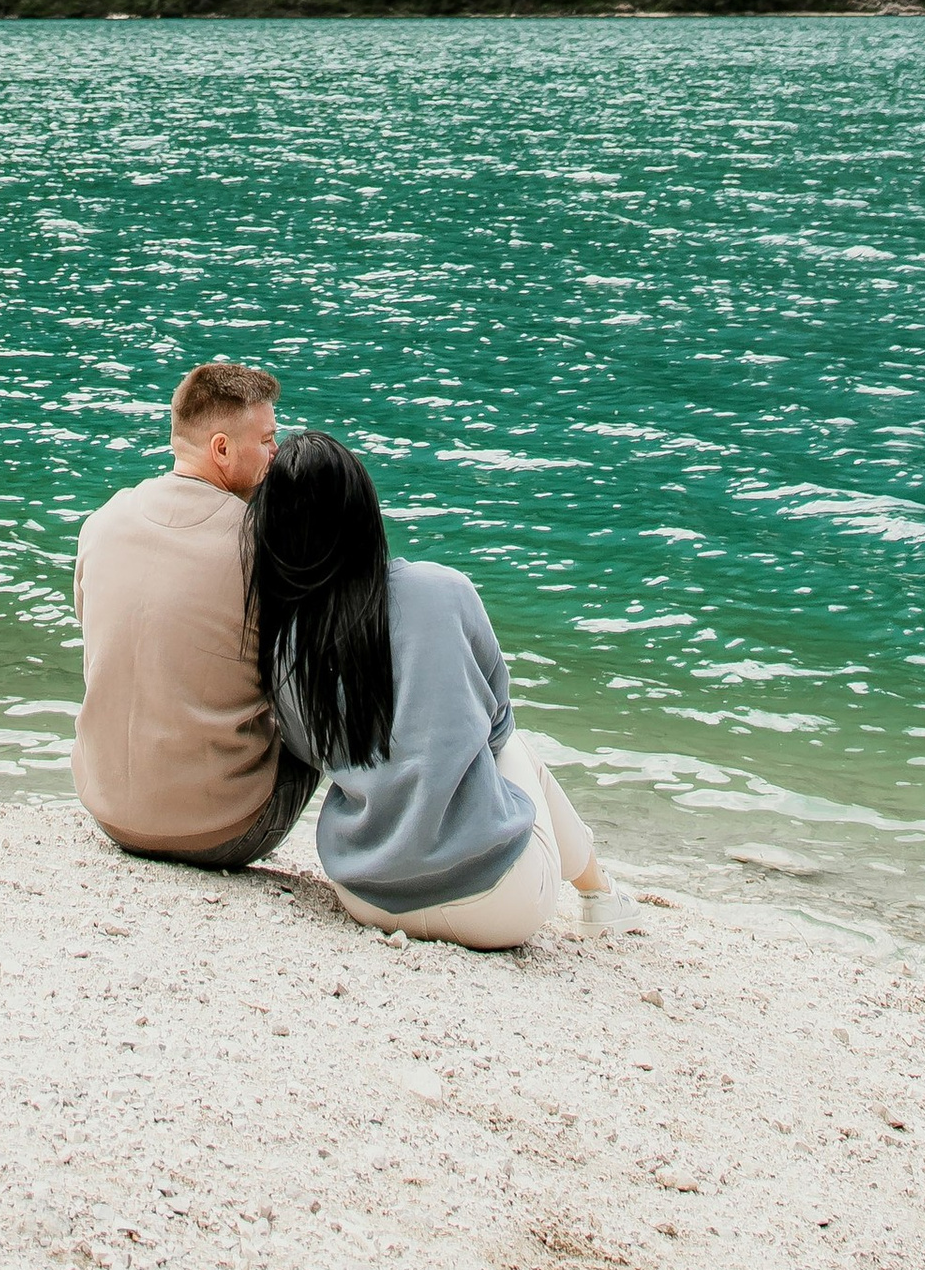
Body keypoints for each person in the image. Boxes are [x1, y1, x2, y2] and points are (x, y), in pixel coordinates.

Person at [246, 428, 612, 947]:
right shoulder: (442, 588)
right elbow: (498, 718)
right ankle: (600, 894)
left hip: (367, 896)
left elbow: (311, 753)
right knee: (516, 750)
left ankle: (599, 894)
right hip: (500, 906)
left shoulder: (286, 645)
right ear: (364, 513)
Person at [72, 358, 323, 870]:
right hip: (222, 832)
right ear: (222, 449)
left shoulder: (103, 521)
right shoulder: (263, 542)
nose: (278, 453)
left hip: (108, 811)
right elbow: (298, 687)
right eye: (268, 440)